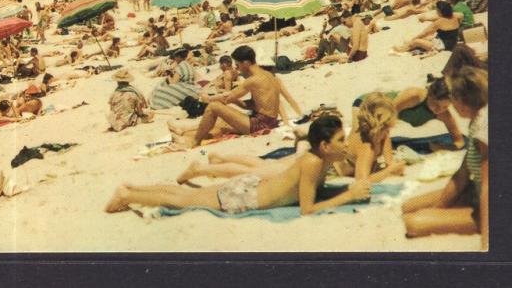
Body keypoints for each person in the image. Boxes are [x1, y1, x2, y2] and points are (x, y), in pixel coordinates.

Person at [105, 115, 370, 214]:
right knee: (184, 199)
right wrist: (348, 196)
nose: (346, 145)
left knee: (187, 195)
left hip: (251, 187)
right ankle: (129, 194)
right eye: (341, 140)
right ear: (325, 146)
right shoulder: (314, 162)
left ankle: (133, 189)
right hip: (247, 197)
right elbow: (308, 209)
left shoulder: (318, 158)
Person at [403, 66, 488, 250]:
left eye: (453, 99)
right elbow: (463, 173)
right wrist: (440, 207)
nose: (451, 106)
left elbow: (488, 186)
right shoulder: (476, 121)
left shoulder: (484, 129)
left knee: (413, 223)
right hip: (474, 192)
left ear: (463, 101)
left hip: (490, 206)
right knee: (407, 207)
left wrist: (486, 245)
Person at [173, 46, 302, 147]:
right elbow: (253, 104)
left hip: (260, 124)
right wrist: (236, 101)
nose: (237, 68)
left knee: (213, 107)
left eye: (238, 64)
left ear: (246, 62)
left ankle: (194, 141)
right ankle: (186, 135)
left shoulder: (252, 80)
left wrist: (209, 99)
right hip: (269, 121)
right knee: (221, 125)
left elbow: (225, 99)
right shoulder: (270, 76)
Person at [336, 93, 405, 182]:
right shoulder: (366, 146)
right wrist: (389, 171)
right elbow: (362, 181)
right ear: (378, 126)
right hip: (338, 174)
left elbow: (389, 162)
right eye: (386, 126)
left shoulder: (382, 133)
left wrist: (394, 167)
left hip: (361, 170)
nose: (388, 131)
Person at [394, 1, 463, 53]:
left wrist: (413, 39)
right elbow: (461, 15)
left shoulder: (439, 22)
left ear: (439, 11)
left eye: (437, 10)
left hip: (441, 46)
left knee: (416, 41)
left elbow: (425, 33)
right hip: (453, 42)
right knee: (426, 38)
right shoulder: (455, 17)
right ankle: (408, 44)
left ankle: (402, 49)